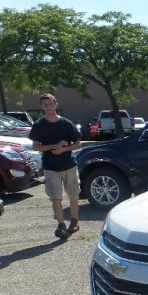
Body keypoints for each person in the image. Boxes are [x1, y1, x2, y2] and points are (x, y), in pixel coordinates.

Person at [28, 93, 83, 238]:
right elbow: (35, 147)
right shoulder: (39, 125)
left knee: (73, 195)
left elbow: (78, 144)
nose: (48, 107)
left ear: (56, 104)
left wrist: (64, 149)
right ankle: (61, 226)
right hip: (50, 167)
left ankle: (74, 222)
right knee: (56, 197)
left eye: (51, 104)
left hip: (69, 165)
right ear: (41, 107)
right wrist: (55, 146)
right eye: (45, 105)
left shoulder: (66, 123)